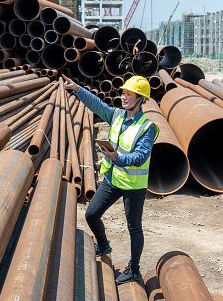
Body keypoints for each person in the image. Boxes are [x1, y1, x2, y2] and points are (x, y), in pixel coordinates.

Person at [62, 74, 159, 284]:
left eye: (129, 94)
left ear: (140, 99)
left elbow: (141, 156)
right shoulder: (116, 115)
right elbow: (97, 105)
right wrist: (77, 88)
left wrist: (118, 157)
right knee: (91, 214)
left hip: (133, 185)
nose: (123, 97)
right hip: (113, 179)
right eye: (123, 93)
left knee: (134, 228)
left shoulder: (147, 127)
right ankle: (104, 245)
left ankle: (134, 269)